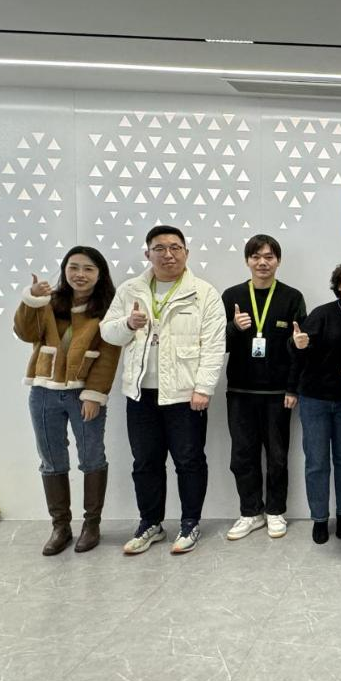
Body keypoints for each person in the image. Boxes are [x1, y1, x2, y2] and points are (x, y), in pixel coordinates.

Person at [100, 226, 226, 555]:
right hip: (140, 393)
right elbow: (108, 332)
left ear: (186, 252)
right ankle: (150, 524)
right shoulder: (130, 290)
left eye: (175, 247)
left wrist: (203, 388)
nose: (168, 254)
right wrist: (128, 324)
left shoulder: (203, 293)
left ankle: (190, 523)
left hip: (186, 395)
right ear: (148, 254)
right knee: (145, 462)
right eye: (159, 248)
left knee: (189, 461)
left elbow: (214, 346)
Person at [14, 247, 121, 555]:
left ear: (99, 274)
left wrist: (94, 395)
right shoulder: (50, 301)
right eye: (73, 267)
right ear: (64, 270)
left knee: (91, 456)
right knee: (51, 459)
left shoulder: (107, 310)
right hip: (43, 391)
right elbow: (25, 332)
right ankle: (60, 527)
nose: (80, 274)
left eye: (88, 269)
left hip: (82, 393)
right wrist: (32, 299)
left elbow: (108, 356)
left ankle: (91, 525)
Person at [221, 235, 307, 541]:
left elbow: (299, 349)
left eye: (269, 257)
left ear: (278, 261)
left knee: (278, 457)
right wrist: (234, 328)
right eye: (256, 257)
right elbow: (217, 343)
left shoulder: (291, 297)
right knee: (242, 456)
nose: (262, 262)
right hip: (240, 391)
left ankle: (275, 511)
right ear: (247, 261)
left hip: (277, 394)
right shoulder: (232, 295)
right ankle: (249, 513)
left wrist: (292, 388)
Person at [291, 260, 341, 544]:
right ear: (339, 285)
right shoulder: (322, 314)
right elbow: (299, 347)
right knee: (316, 461)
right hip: (314, 399)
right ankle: (319, 518)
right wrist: (298, 344)